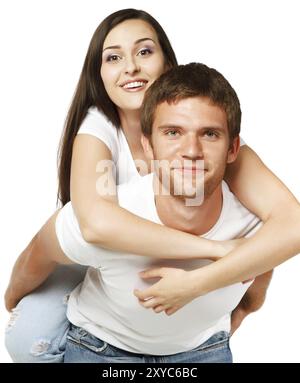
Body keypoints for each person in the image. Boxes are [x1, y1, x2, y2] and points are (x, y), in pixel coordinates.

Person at [4, 9, 300, 363]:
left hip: (168, 304)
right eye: (113, 57)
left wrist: (237, 293)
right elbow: (95, 225)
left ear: (167, 62)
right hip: (90, 258)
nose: (130, 67)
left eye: (144, 52)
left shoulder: (218, 146)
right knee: (27, 338)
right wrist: (217, 251)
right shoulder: (97, 129)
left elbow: (284, 225)